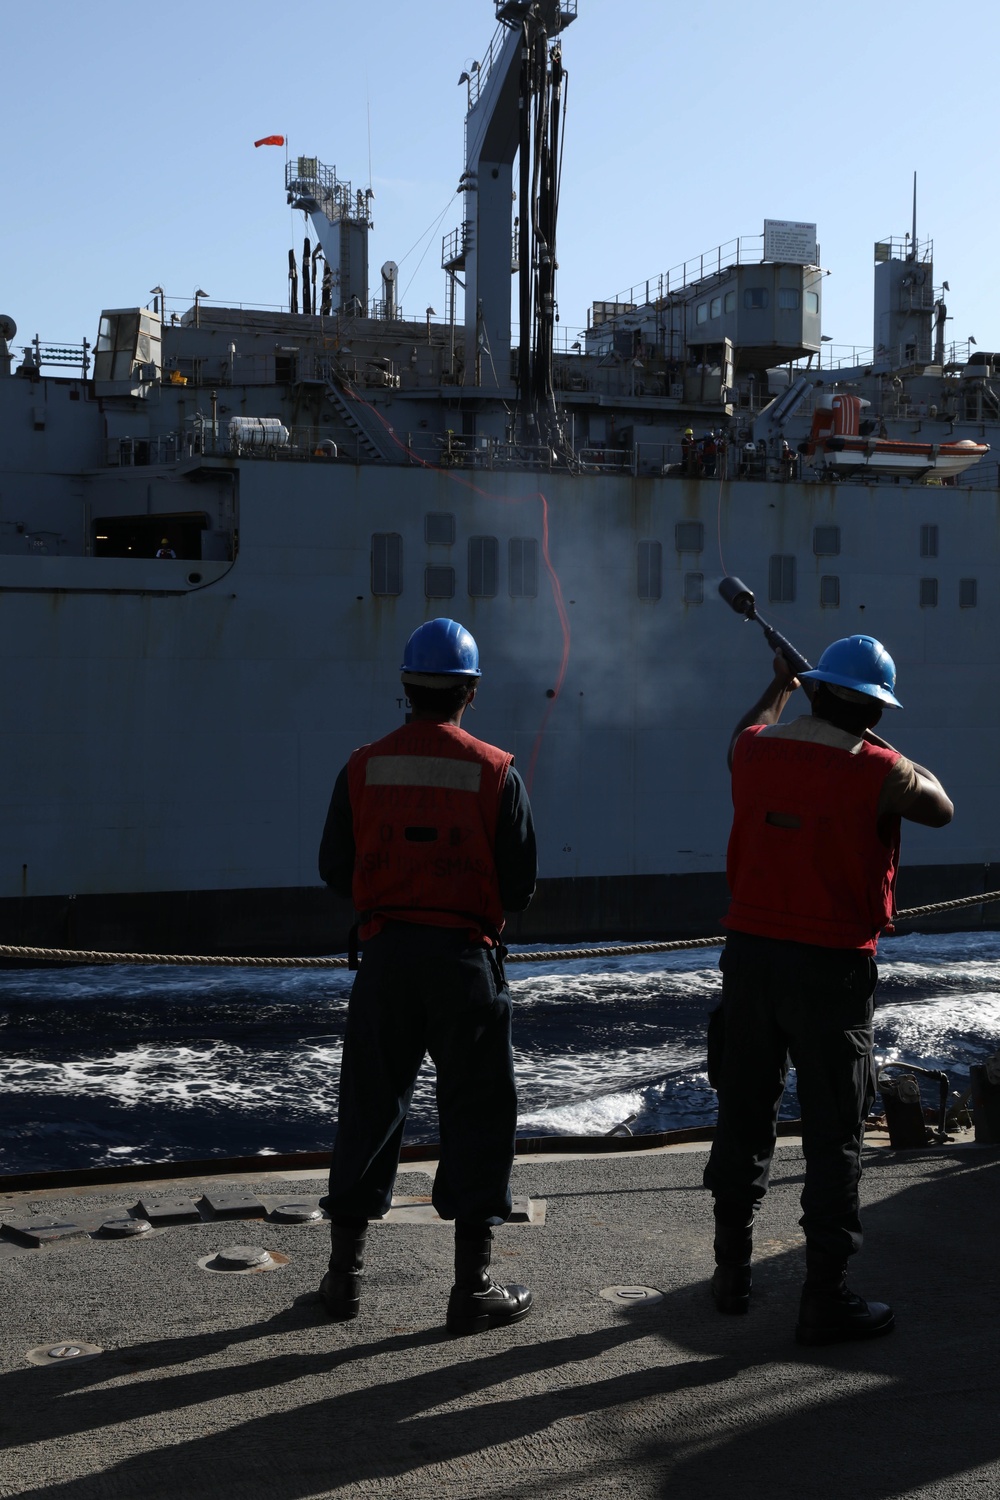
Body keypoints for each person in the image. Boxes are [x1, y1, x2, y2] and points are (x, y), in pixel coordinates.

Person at [704, 636, 953, 1345]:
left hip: (750, 962)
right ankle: (825, 1296)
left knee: (743, 1117)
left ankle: (730, 1275)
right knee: (834, 1136)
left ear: (815, 688)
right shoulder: (880, 769)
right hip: (831, 972)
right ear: (874, 704)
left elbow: (742, 732)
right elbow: (942, 806)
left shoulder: (756, 752)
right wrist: (877, 740)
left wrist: (782, 685)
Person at [317, 617, 538, 1335]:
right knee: (478, 1117)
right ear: (470, 690)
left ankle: (341, 1282)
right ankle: (469, 1289)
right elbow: (520, 886)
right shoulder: (497, 771)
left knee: (369, 1111)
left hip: (384, 962)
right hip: (464, 966)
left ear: (405, 687)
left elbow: (331, 870)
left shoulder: (362, 766)